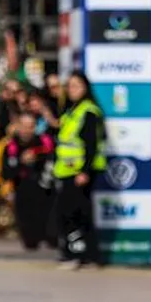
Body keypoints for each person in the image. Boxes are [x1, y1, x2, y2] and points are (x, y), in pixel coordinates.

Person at [52, 70, 105, 269]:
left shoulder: (88, 111)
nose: (72, 90)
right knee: (73, 213)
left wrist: (85, 171)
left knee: (73, 214)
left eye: (76, 86)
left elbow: (91, 144)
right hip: (66, 171)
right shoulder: (71, 111)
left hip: (79, 172)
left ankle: (77, 253)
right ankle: (88, 253)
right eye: (70, 86)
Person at [3, 109, 55, 251]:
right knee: (26, 217)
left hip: (44, 187)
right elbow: (7, 172)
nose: (27, 130)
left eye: (30, 126)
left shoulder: (45, 142)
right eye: (24, 126)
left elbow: (52, 161)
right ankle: (31, 240)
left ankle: (50, 238)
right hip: (22, 187)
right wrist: (21, 161)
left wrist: (38, 159)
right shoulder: (11, 146)